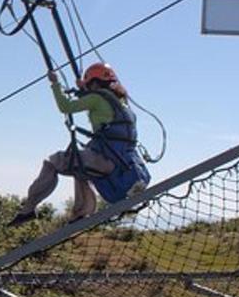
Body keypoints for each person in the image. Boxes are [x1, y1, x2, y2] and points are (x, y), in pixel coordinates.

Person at [8, 62, 150, 227]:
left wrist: (55, 83)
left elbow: (66, 107)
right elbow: (97, 106)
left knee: (52, 162)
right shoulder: (122, 103)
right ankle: (81, 212)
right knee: (79, 168)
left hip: (104, 158)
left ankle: (28, 209)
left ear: (94, 83)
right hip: (122, 163)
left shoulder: (97, 98)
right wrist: (84, 90)